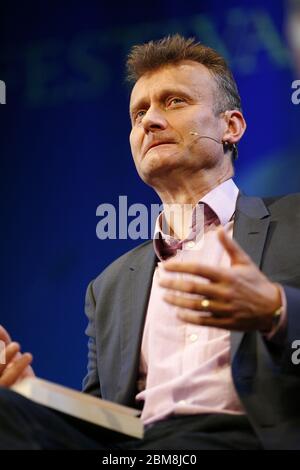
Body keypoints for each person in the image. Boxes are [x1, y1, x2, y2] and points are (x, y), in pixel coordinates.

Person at [0, 34, 300, 450]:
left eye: (174, 102)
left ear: (231, 126)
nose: (150, 121)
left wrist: (275, 310)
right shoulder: (108, 287)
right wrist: (33, 398)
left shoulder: (294, 221)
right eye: (139, 112)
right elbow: (106, 422)